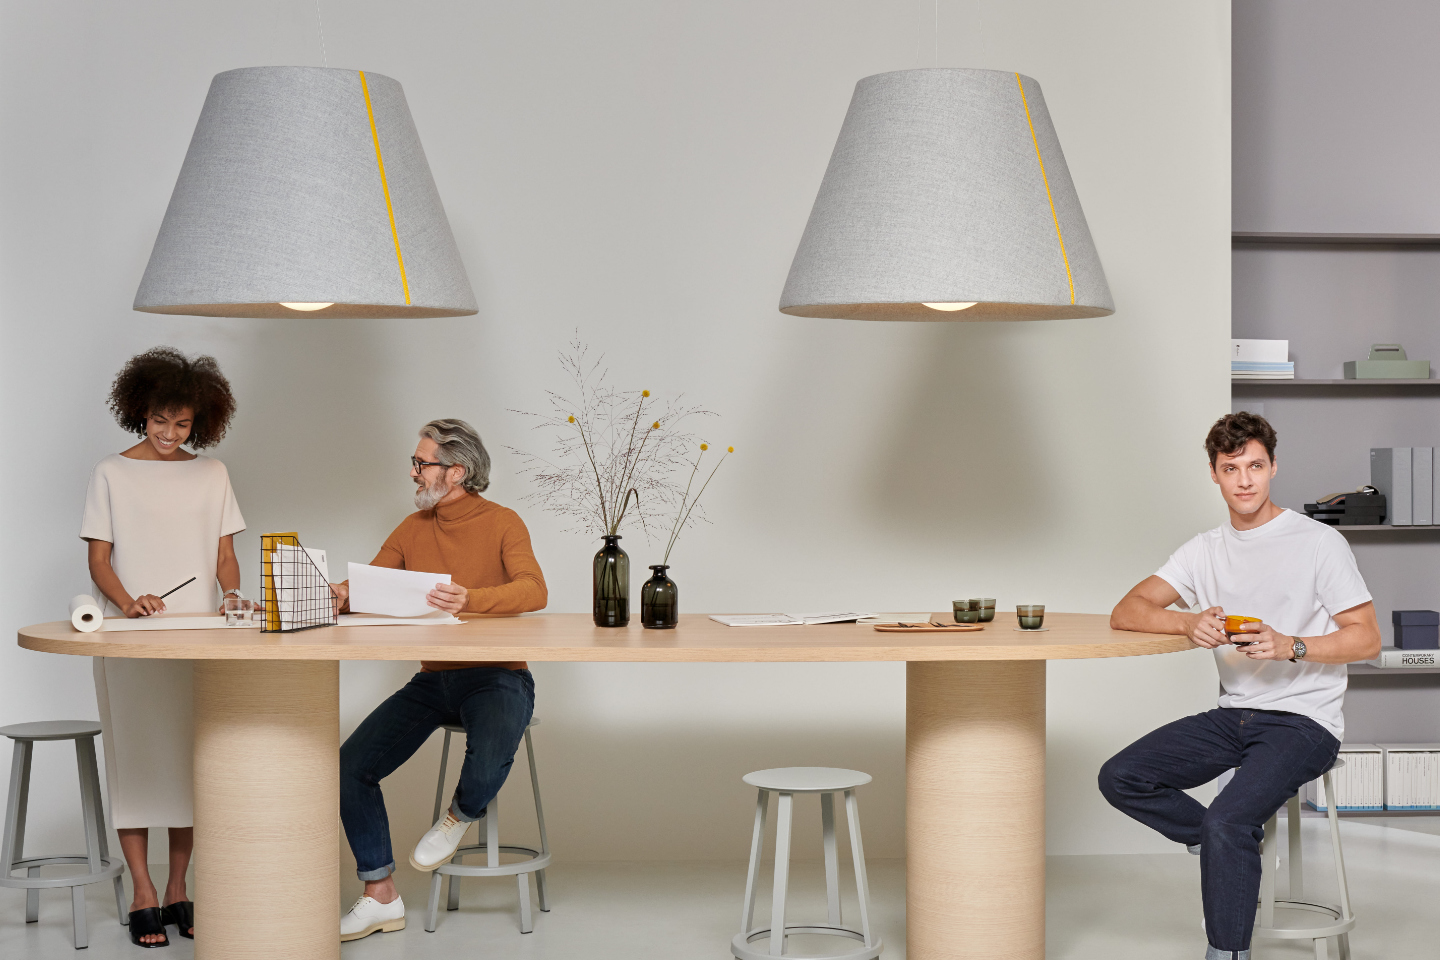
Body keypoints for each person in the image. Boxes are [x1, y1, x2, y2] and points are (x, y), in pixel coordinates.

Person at [1099, 412, 1381, 960]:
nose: (1245, 480)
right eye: (1232, 468)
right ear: (1215, 474)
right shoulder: (1203, 549)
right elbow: (1126, 609)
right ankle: (1227, 849)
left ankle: (1227, 950)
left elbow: (1366, 638)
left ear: (1273, 467)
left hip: (1304, 721)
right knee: (1122, 776)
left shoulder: (1318, 542)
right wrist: (1186, 621)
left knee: (1230, 817)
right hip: (1235, 715)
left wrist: (1292, 645)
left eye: (1255, 466)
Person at [330, 419, 547, 942]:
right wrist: (342, 593)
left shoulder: (503, 521)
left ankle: (455, 817)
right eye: (415, 462)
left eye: (421, 463)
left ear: (457, 471)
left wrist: (471, 598)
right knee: (349, 766)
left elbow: (533, 590)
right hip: (433, 681)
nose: (413, 472)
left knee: (491, 749)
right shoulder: (412, 528)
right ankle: (380, 894)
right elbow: (371, 584)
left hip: (498, 676)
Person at [82, 347, 246, 947]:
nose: (170, 434)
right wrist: (129, 603)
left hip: (197, 634)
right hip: (127, 637)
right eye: (159, 420)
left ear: (200, 420)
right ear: (139, 412)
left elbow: (225, 556)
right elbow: (99, 561)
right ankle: (142, 890)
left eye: (182, 424)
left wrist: (232, 596)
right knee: (135, 762)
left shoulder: (213, 474)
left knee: (186, 761)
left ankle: (179, 887)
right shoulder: (111, 473)